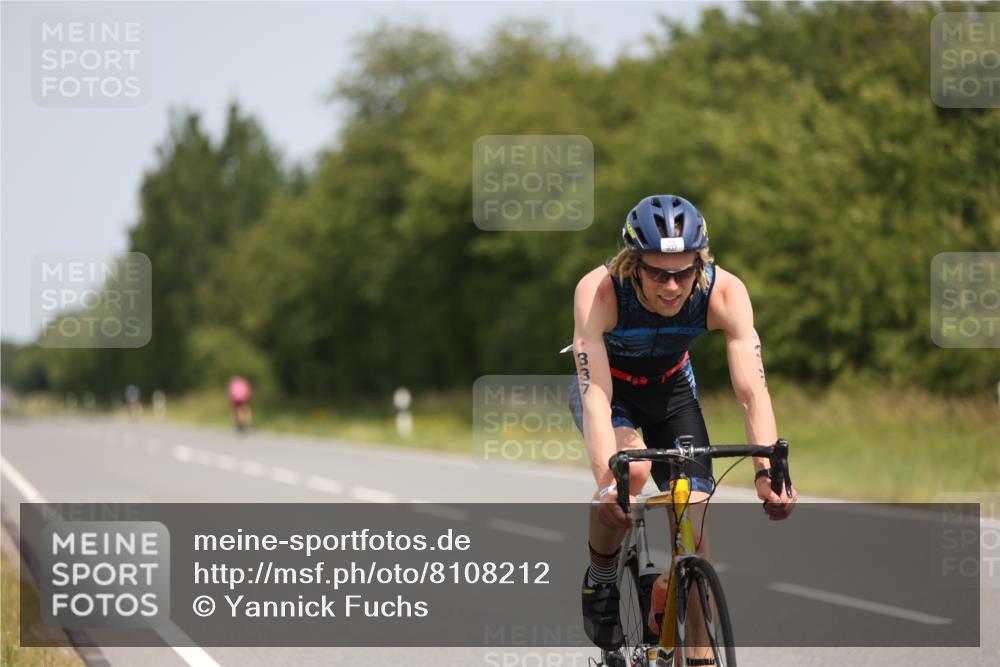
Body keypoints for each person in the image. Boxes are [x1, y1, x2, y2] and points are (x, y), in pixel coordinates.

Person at [571, 195, 797, 658]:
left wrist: (766, 472)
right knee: (628, 476)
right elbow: (596, 398)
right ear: (634, 264)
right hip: (610, 391)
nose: (672, 286)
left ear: (700, 262)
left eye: (683, 271)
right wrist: (606, 486)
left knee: (694, 514)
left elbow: (753, 393)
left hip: (672, 391)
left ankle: (697, 650)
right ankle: (602, 573)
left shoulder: (724, 292)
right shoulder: (600, 291)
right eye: (657, 272)